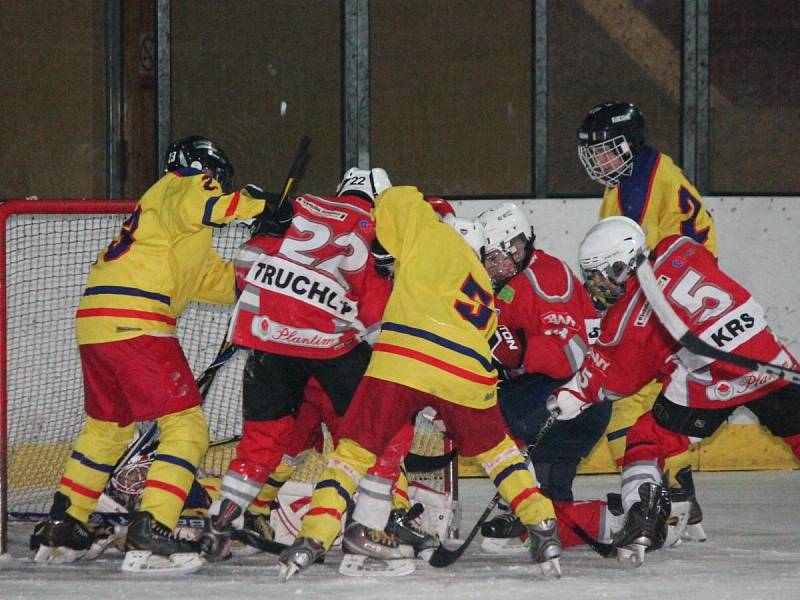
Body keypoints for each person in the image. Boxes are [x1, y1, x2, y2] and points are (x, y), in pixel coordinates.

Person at [278, 186, 563, 581]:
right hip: (465, 372)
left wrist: (413, 206)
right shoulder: (483, 287)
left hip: (401, 361)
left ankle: (313, 538)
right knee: (499, 454)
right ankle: (543, 525)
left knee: (353, 454)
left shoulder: (431, 234)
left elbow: (395, 199)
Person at [30, 136, 278, 572]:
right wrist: (266, 206)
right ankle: (153, 526)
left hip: (97, 321)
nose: (217, 184)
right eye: (216, 177)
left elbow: (216, 282)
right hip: (137, 321)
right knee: (186, 428)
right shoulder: (183, 185)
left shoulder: (168, 225)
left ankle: (64, 523)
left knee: (107, 428)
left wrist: (262, 264)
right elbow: (217, 205)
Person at [548, 216, 800, 564]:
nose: (595, 285)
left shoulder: (626, 318)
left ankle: (641, 514)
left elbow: (616, 384)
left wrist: (574, 394)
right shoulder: (680, 246)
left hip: (709, 380)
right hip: (766, 357)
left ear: (621, 266)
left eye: (599, 274)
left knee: (645, 439)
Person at [199, 168, 393, 561]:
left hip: (268, 340)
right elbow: (375, 307)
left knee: (261, 441)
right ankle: (368, 528)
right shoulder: (373, 226)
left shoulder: (298, 205)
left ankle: (220, 526)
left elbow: (244, 268)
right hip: (331, 347)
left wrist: (264, 241)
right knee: (371, 436)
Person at [578, 100, 718, 540]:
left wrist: (604, 303)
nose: (599, 160)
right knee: (661, 401)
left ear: (630, 143)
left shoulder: (641, 182)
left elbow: (625, 256)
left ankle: (653, 496)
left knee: (623, 398)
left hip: (668, 301)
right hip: (680, 295)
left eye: (606, 149)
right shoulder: (638, 172)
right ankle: (678, 497)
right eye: (594, 152)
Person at [471, 203, 611, 542]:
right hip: (570, 405)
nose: (487, 267)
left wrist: (510, 361)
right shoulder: (512, 280)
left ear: (516, 247)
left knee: (486, 409)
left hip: (572, 397)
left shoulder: (545, 277)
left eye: (492, 258)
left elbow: (568, 360)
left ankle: (522, 502)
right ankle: (622, 519)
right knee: (553, 508)